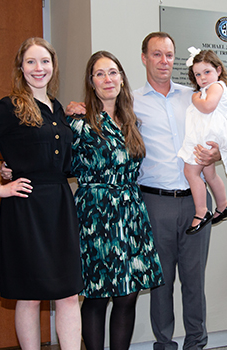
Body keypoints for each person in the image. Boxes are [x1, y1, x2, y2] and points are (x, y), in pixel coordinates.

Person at [0, 37, 83, 350]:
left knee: (69, 293)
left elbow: (62, 161)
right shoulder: (9, 107)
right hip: (26, 208)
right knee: (30, 296)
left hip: (59, 205)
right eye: (31, 61)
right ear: (21, 67)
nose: (38, 68)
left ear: (53, 66)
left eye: (44, 61)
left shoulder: (57, 109)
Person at [70, 50, 164, 350]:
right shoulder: (79, 122)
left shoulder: (133, 120)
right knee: (96, 294)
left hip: (131, 212)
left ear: (122, 78)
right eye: (99, 73)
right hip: (95, 215)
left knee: (127, 295)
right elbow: (53, 158)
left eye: (112, 72)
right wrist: (11, 167)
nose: (107, 79)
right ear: (91, 81)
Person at [135, 32, 220, 350]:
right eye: (157, 55)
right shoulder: (131, 101)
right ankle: (164, 344)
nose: (164, 61)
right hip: (154, 202)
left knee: (194, 281)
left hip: (195, 201)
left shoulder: (196, 97)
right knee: (161, 282)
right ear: (144, 58)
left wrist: (217, 154)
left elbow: (219, 136)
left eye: (169, 55)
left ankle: (196, 343)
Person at [178, 48, 227, 233]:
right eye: (198, 74)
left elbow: (208, 107)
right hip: (207, 135)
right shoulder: (207, 88)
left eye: (207, 72)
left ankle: (201, 211)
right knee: (209, 175)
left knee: (190, 172)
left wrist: (195, 98)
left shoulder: (216, 87)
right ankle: (223, 206)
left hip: (208, 136)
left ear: (218, 70)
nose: (203, 78)